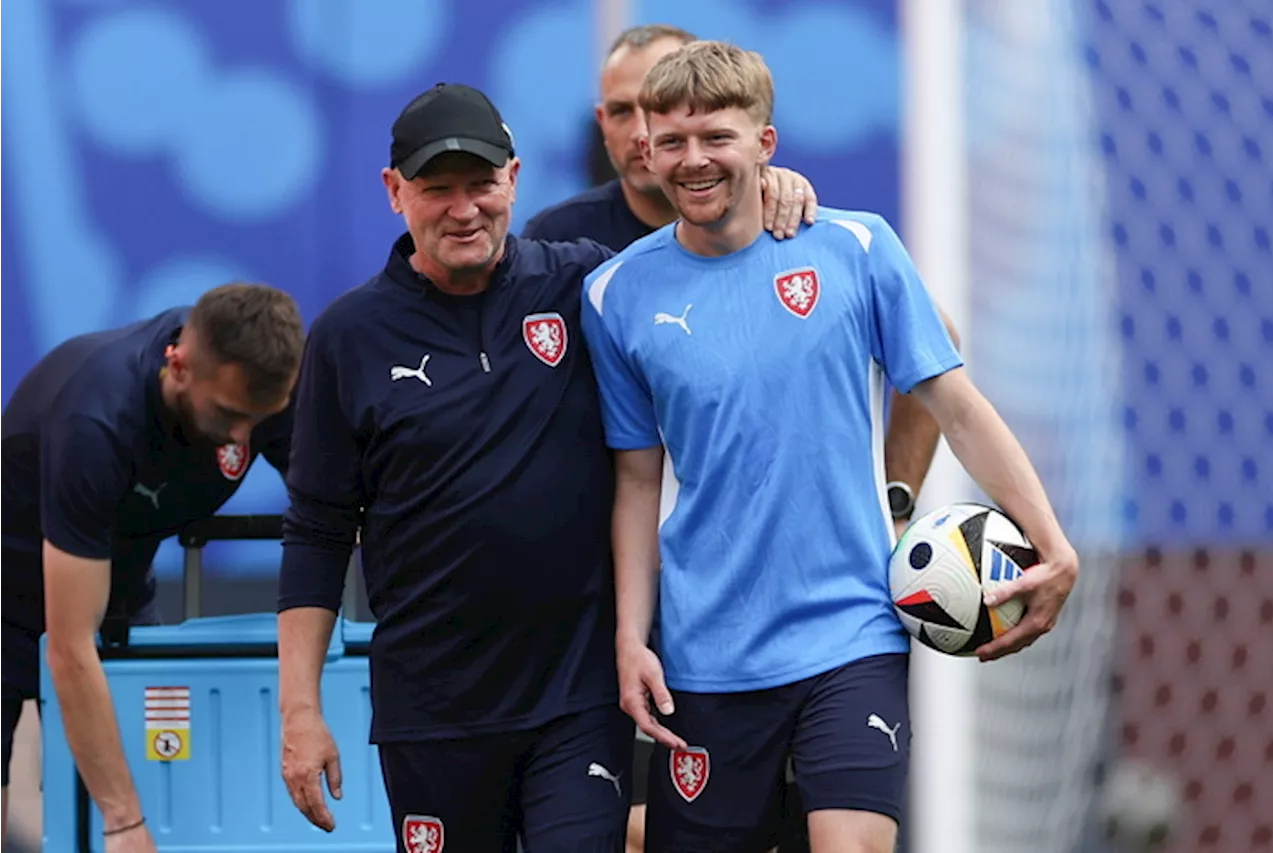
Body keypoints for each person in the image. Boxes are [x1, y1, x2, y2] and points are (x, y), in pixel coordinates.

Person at [274, 81, 820, 853]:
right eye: (438, 190)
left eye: (482, 185)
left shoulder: (587, 284)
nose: (465, 209)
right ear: (395, 193)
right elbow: (317, 532)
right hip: (433, 711)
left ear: (515, 180)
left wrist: (770, 185)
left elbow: (704, 263)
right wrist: (300, 711)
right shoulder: (347, 338)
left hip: (577, 696)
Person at [580, 40, 1080, 853]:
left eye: (717, 138)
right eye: (672, 141)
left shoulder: (857, 248)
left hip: (852, 631)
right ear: (647, 150)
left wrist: (1053, 540)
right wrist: (634, 637)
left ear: (765, 145)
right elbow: (637, 482)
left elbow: (956, 405)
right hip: (706, 653)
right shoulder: (615, 296)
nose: (693, 159)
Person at [527, 24, 960, 853]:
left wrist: (895, 506)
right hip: (653, 609)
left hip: (828, 610)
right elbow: (623, 463)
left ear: (753, 136)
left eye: (707, 127)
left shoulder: (803, 226)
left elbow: (933, 354)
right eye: (625, 112)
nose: (649, 133)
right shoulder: (573, 255)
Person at [0, 282, 304, 850]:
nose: (245, 437)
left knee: (156, 786)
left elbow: (332, 514)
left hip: (113, 590)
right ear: (178, 365)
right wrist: (125, 823)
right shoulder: (98, 424)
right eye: (231, 415)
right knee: (118, 819)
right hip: (12, 593)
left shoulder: (261, 387)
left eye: (262, 417)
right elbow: (67, 648)